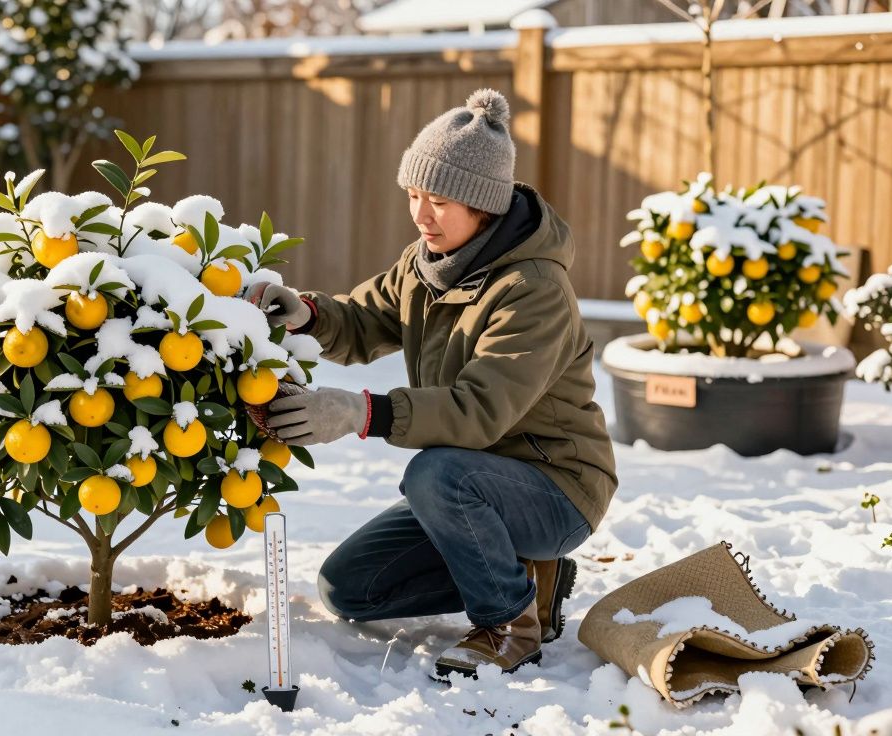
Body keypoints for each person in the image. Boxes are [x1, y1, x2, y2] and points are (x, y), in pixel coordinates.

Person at [246, 88, 617, 680]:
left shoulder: (534, 289)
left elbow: (479, 412)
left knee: (434, 472)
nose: (422, 215)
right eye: (415, 195)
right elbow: (366, 318)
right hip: (472, 483)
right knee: (350, 589)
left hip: (555, 485)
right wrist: (308, 314)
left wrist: (357, 413)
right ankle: (529, 577)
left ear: (484, 206)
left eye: (440, 201)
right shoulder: (427, 264)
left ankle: (509, 625)